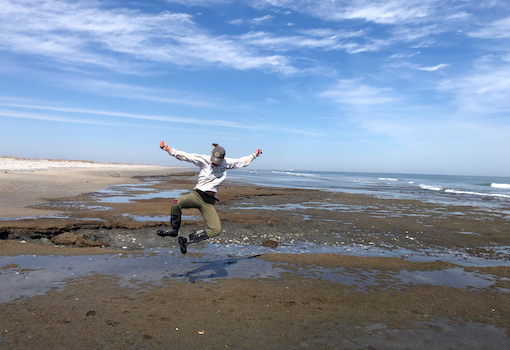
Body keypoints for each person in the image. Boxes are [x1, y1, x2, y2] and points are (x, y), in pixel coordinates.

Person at [157, 141, 263, 254]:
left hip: (208, 202)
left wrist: (254, 155)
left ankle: (186, 240)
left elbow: (242, 162)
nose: (215, 163)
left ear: (223, 158)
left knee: (216, 230)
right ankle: (173, 230)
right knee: (175, 203)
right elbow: (185, 156)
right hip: (197, 195)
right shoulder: (204, 159)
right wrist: (168, 149)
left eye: (218, 162)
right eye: (214, 161)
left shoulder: (227, 163)